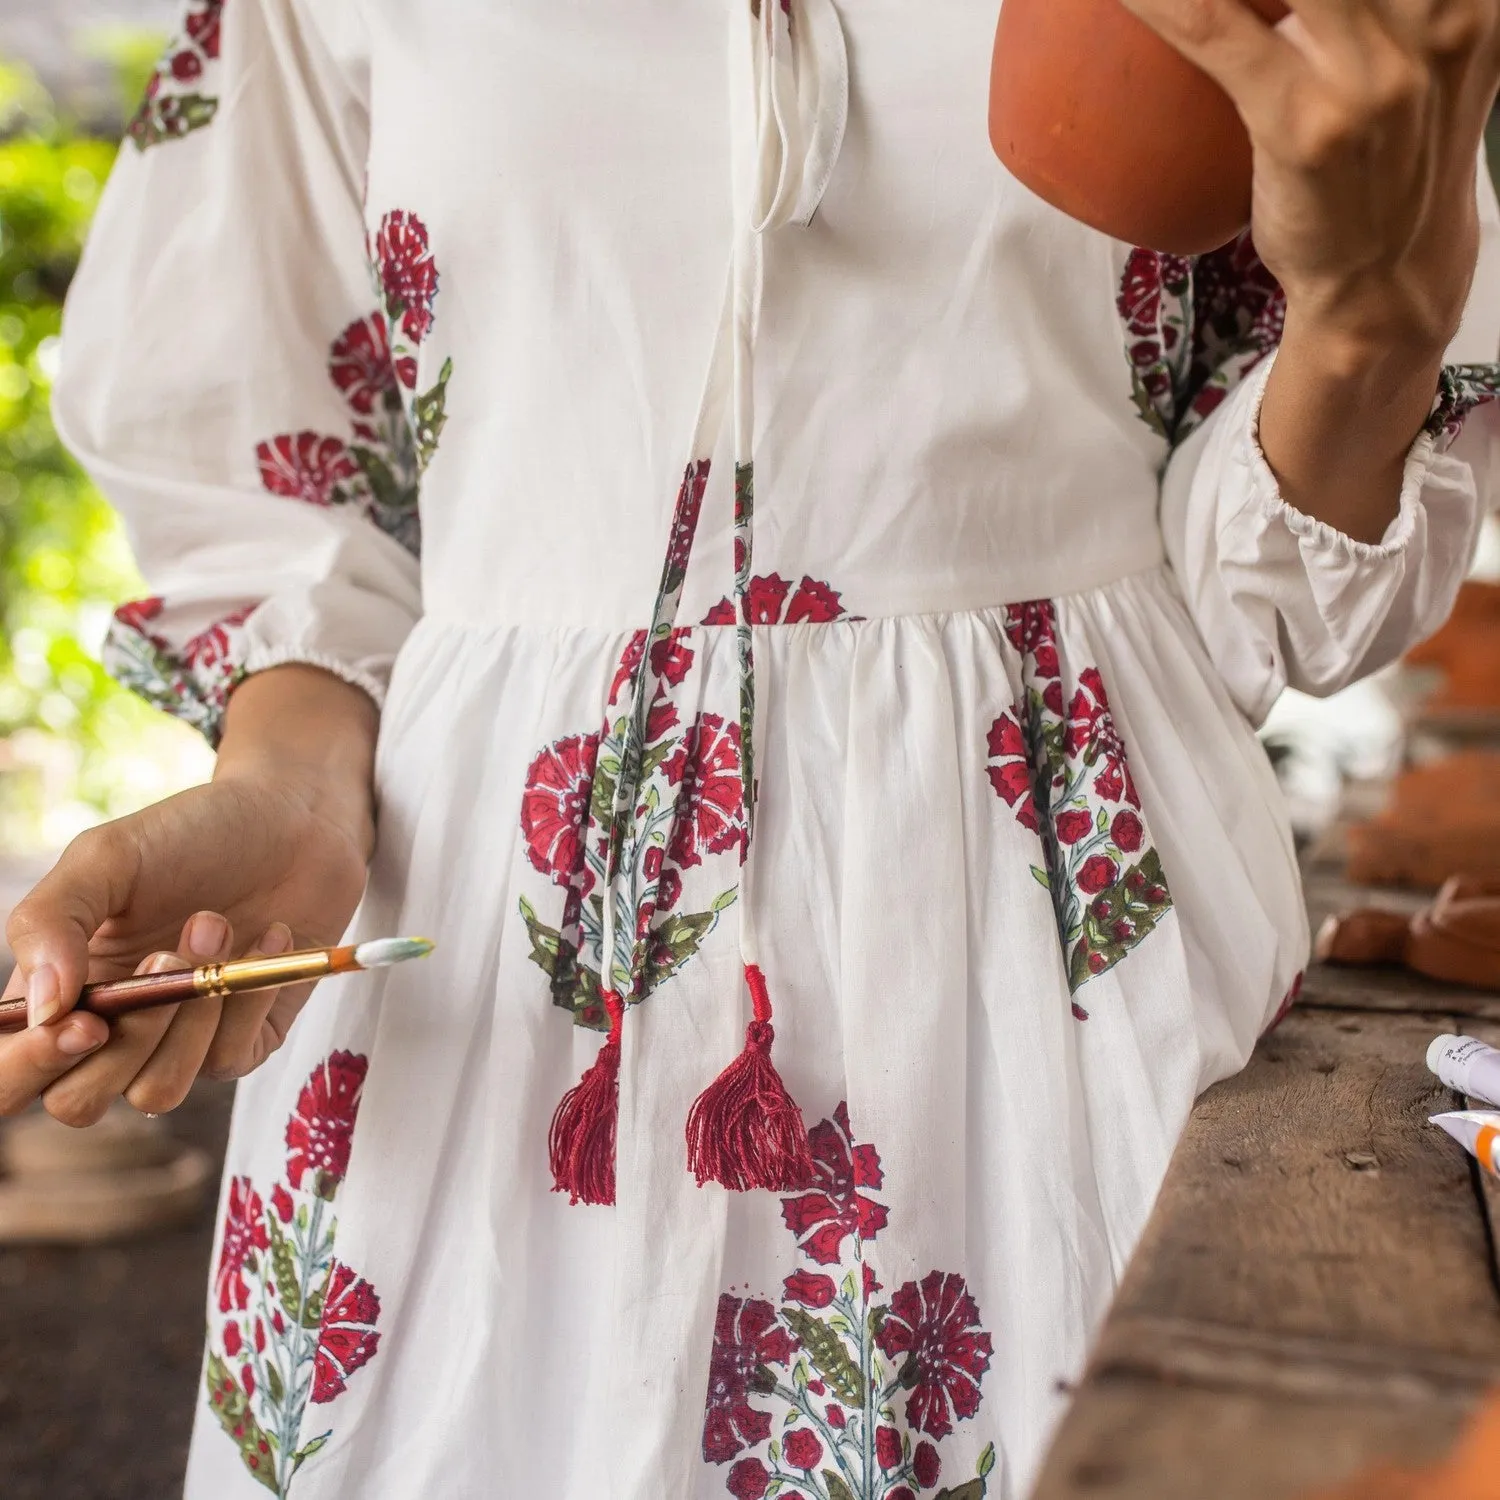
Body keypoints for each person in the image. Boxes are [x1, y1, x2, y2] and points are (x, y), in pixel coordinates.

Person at [3, 1, 1499, 1496]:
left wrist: (1372, 307)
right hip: (490, 993)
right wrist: (288, 800)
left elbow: (1267, 612)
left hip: (1062, 971)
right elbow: (287, 494)